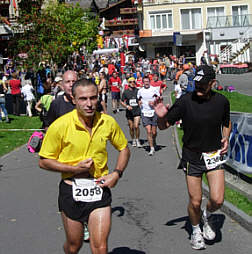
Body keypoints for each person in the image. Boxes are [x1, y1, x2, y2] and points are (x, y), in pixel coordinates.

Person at [39, 78, 130, 254]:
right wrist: (74, 169)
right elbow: (43, 161)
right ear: (74, 100)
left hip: (99, 188)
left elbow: (124, 148)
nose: (89, 104)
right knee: (74, 245)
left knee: (100, 247)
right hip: (71, 190)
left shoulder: (107, 122)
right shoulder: (60, 126)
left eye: (93, 98)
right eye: (83, 99)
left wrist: (117, 173)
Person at [153, 65, 231, 250]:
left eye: (203, 85)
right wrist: (160, 117)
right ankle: (195, 230)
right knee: (195, 200)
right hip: (192, 156)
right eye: (197, 84)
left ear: (213, 83)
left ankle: (208, 214)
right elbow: (164, 125)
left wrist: (226, 137)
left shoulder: (222, 101)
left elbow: (226, 121)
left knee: (218, 199)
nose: (198, 88)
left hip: (213, 154)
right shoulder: (185, 101)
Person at [137, 76, 160, 156]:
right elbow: (139, 99)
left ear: (149, 82)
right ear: (143, 82)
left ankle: (154, 141)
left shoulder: (154, 89)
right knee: (149, 131)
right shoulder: (140, 91)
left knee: (154, 132)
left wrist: (154, 102)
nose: (146, 83)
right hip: (144, 112)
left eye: (147, 81)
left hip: (153, 112)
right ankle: (151, 148)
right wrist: (139, 102)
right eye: (145, 82)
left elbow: (159, 98)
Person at [121, 77, 142, 148]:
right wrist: (127, 106)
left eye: (133, 82)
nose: (132, 83)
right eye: (131, 82)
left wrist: (140, 102)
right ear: (128, 83)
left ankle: (137, 139)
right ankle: (133, 139)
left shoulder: (138, 91)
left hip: (137, 110)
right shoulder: (126, 92)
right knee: (131, 127)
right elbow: (121, 101)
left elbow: (141, 99)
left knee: (136, 126)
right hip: (129, 112)